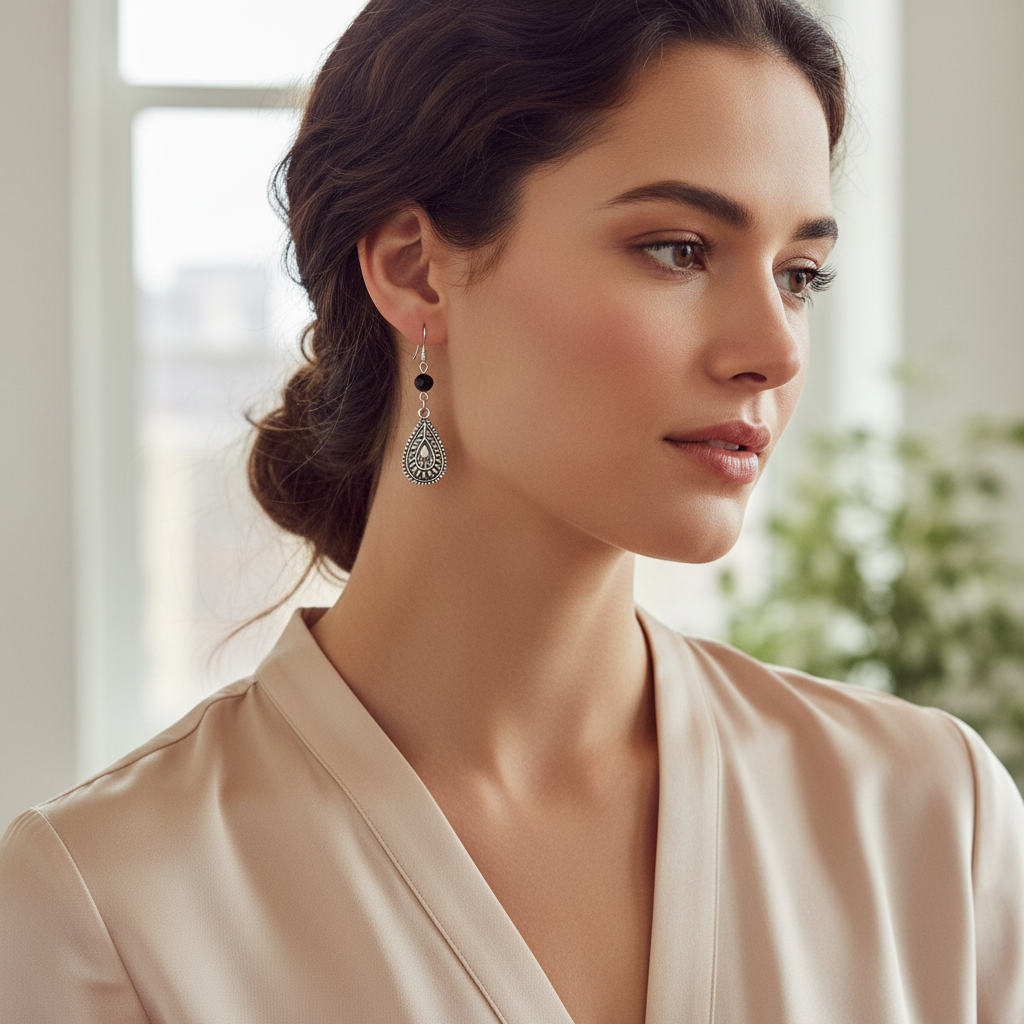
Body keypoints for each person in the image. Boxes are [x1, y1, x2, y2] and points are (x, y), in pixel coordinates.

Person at [3, 0, 1023, 1020]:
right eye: (679, 249)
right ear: (414, 270)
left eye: (799, 275)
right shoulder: (104, 907)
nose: (776, 349)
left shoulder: (932, 820)